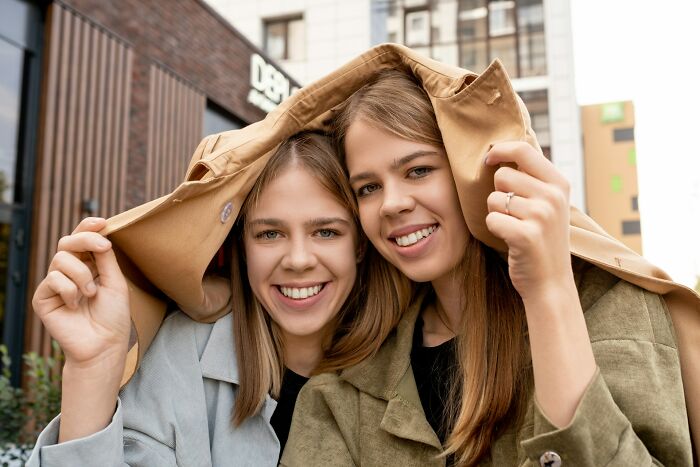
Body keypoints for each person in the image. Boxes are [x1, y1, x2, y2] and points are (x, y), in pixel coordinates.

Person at [281, 70, 693, 466]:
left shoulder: (612, 305)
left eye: (419, 170)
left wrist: (548, 292)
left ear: (477, 172)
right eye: (368, 188)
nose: (391, 203)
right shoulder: (340, 389)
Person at [27, 131, 406, 466]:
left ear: (360, 244)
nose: (299, 261)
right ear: (241, 247)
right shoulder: (182, 355)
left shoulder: (415, 356)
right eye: (269, 234)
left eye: (326, 232)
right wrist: (91, 370)